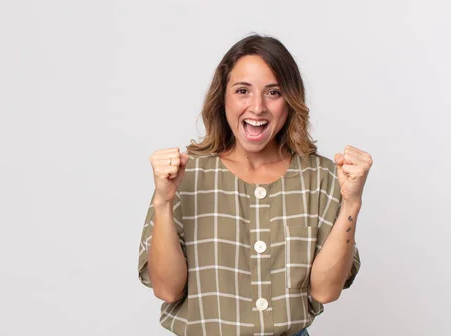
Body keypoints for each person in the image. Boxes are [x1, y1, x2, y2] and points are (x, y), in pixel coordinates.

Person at [137, 34, 372, 336]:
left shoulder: (322, 177)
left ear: (290, 100)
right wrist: (163, 202)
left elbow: (325, 291)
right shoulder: (186, 175)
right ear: (223, 98)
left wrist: (352, 202)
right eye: (243, 91)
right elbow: (167, 290)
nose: (257, 107)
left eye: (273, 92)